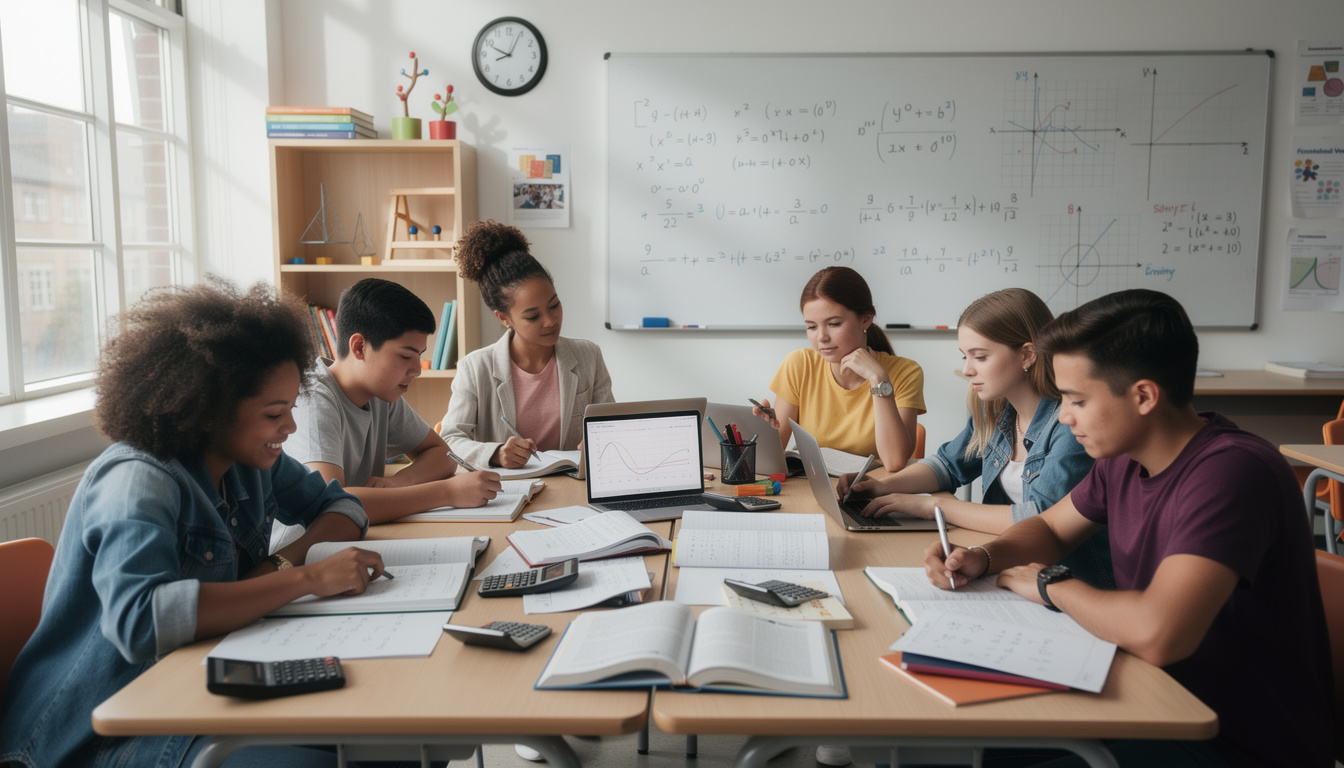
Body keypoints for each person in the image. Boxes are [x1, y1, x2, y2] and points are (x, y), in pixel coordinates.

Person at [926, 289, 1333, 768]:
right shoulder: (1122, 458)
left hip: (1230, 738)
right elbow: (1053, 530)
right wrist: (988, 557)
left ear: (1143, 396)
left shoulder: (1232, 473)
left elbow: (1159, 633)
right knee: (937, 744)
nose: (1066, 416)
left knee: (955, 754)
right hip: (1147, 694)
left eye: (1076, 400)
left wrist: (1049, 584)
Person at [0, 280, 386, 768]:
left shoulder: (248, 459)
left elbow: (344, 509)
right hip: (96, 734)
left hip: (196, 686)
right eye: (274, 413)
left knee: (391, 740)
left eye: (291, 407)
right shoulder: (137, 481)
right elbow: (142, 620)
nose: (290, 427)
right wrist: (304, 577)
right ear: (209, 411)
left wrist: (279, 565)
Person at [839, 288, 1111, 586]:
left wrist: (934, 507)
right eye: (965, 356)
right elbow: (946, 465)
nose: (967, 370)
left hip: (1069, 580)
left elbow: (1040, 518)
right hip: (1010, 568)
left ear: (1027, 355)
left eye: (979, 357)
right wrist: (879, 486)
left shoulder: (1070, 426)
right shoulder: (996, 412)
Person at [287, 278, 502, 525]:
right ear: (359, 347)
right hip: (307, 556)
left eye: (419, 356)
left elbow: (442, 453)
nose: (416, 370)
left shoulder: (379, 392)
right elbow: (331, 504)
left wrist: (398, 482)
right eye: (405, 356)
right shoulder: (313, 402)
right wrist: (448, 492)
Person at [441, 220, 614, 470]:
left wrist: (599, 440)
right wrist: (496, 453)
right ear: (504, 317)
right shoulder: (475, 368)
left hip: (573, 487)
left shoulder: (588, 356)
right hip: (505, 493)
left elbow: (612, 424)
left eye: (554, 305)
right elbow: (449, 441)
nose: (550, 321)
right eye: (533, 316)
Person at [753, 266, 924, 471]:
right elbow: (770, 457)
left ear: (866, 319)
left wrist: (878, 379)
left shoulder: (906, 372)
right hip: (812, 487)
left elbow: (895, 461)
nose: (821, 338)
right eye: (812, 327)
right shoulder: (799, 364)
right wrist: (761, 431)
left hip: (871, 491)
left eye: (833, 324)